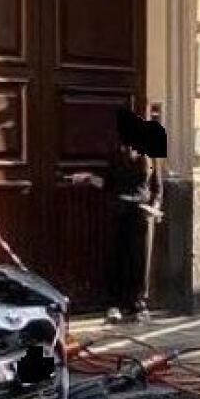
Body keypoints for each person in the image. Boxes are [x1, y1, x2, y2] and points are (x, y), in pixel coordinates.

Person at [70, 110, 164, 324]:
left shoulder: (152, 155)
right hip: (119, 211)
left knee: (141, 261)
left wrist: (155, 207)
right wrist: (89, 178)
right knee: (118, 257)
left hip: (142, 213)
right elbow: (108, 183)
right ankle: (115, 303)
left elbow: (157, 187)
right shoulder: (116, 154)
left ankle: (139, 304)